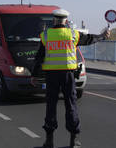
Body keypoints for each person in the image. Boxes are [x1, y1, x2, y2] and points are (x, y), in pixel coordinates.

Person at [35, 8, 110, 148]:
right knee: (71, 104)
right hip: (68, 75)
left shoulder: (46, 35)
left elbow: (39, 57)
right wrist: (103, 36)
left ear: (54, 20)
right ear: (66, 21)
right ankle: (73, 140)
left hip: (51, 75)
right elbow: (90, 39)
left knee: (51, 106)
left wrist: (34, 75)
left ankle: (49, 141)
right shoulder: (73, 35)